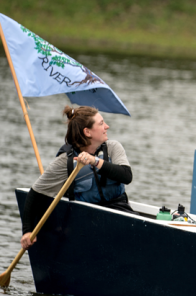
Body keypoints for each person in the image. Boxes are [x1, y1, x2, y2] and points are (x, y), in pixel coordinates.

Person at [20, 105, 135, 250]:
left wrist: (95, 161)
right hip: (84, 223)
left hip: (119, 213)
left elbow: (126, 176)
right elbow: (35, 195)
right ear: (87, 132)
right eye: (101, 123)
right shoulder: (64, 162)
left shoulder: (113, 147)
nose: (107, 126)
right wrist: (27, 231)